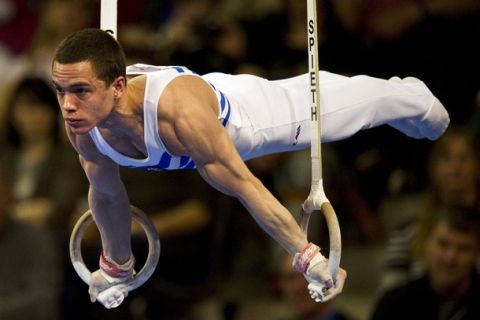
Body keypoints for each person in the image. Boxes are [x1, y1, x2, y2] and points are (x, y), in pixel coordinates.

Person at [51, 28, 449, 307]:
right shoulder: (84, 125)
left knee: (342, 107)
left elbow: (244, 185)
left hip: (248, 118)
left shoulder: (177, 116)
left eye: (80, 90)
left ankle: (411, 96)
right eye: (61, 90)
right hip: (207, 91)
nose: (67, 105)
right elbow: (106, 194)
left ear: (117, 86)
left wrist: (307, 256)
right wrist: (117, 266)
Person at [378, 126, 479, 292]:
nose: (455, 167)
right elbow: (389, 294)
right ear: (434, 166)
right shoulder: (407, 232)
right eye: (447, 158)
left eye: (463, 158)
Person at [370, 204, 480, 320]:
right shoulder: (394, 304)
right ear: (426, 244)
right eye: (443, 244)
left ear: (477, 253)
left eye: (463, 248)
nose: (450, 258)